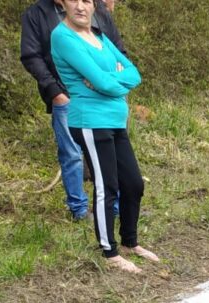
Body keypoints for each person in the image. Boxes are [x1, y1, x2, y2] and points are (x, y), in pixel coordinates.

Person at [50, 0, 156, 273]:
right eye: (74, 0)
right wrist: (111, 80)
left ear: (93, 5)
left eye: (86, 0)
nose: (81, 6)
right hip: (90, 121)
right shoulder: (62, 37)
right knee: (106, 186)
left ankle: (130, 242)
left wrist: (109, 81)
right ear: (64, 3)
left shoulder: (99, 35)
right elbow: (105, 82)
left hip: (115, 120)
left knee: (133, 184)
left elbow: (135, 74)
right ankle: (110, 252)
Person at [20, 0, 123, 222]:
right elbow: (31, 56)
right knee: (72, 154)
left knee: (111, 150)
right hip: (67, 96)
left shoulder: (98, 9)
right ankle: (79, 209)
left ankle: (115, 206)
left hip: (104, 96)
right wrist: (55, 92)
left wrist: (117, 80)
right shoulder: (36, 14)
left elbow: (116, 46)